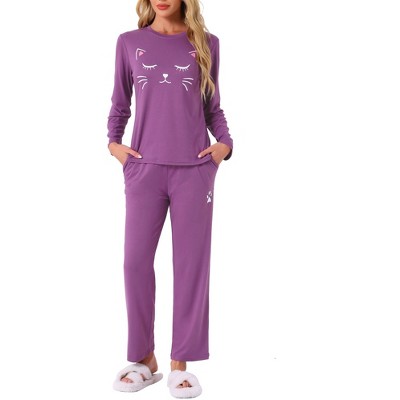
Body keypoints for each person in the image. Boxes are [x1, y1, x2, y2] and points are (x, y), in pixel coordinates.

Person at [107, 0, 233, 397]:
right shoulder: (129, 42)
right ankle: (145, 359)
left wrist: (224, 145)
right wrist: (114, 145)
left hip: (194, 171)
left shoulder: (207, 43)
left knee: (191, 266)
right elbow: (120, 103)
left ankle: (181, 363)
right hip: (144, 169)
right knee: (134, 263)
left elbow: (212, 108)